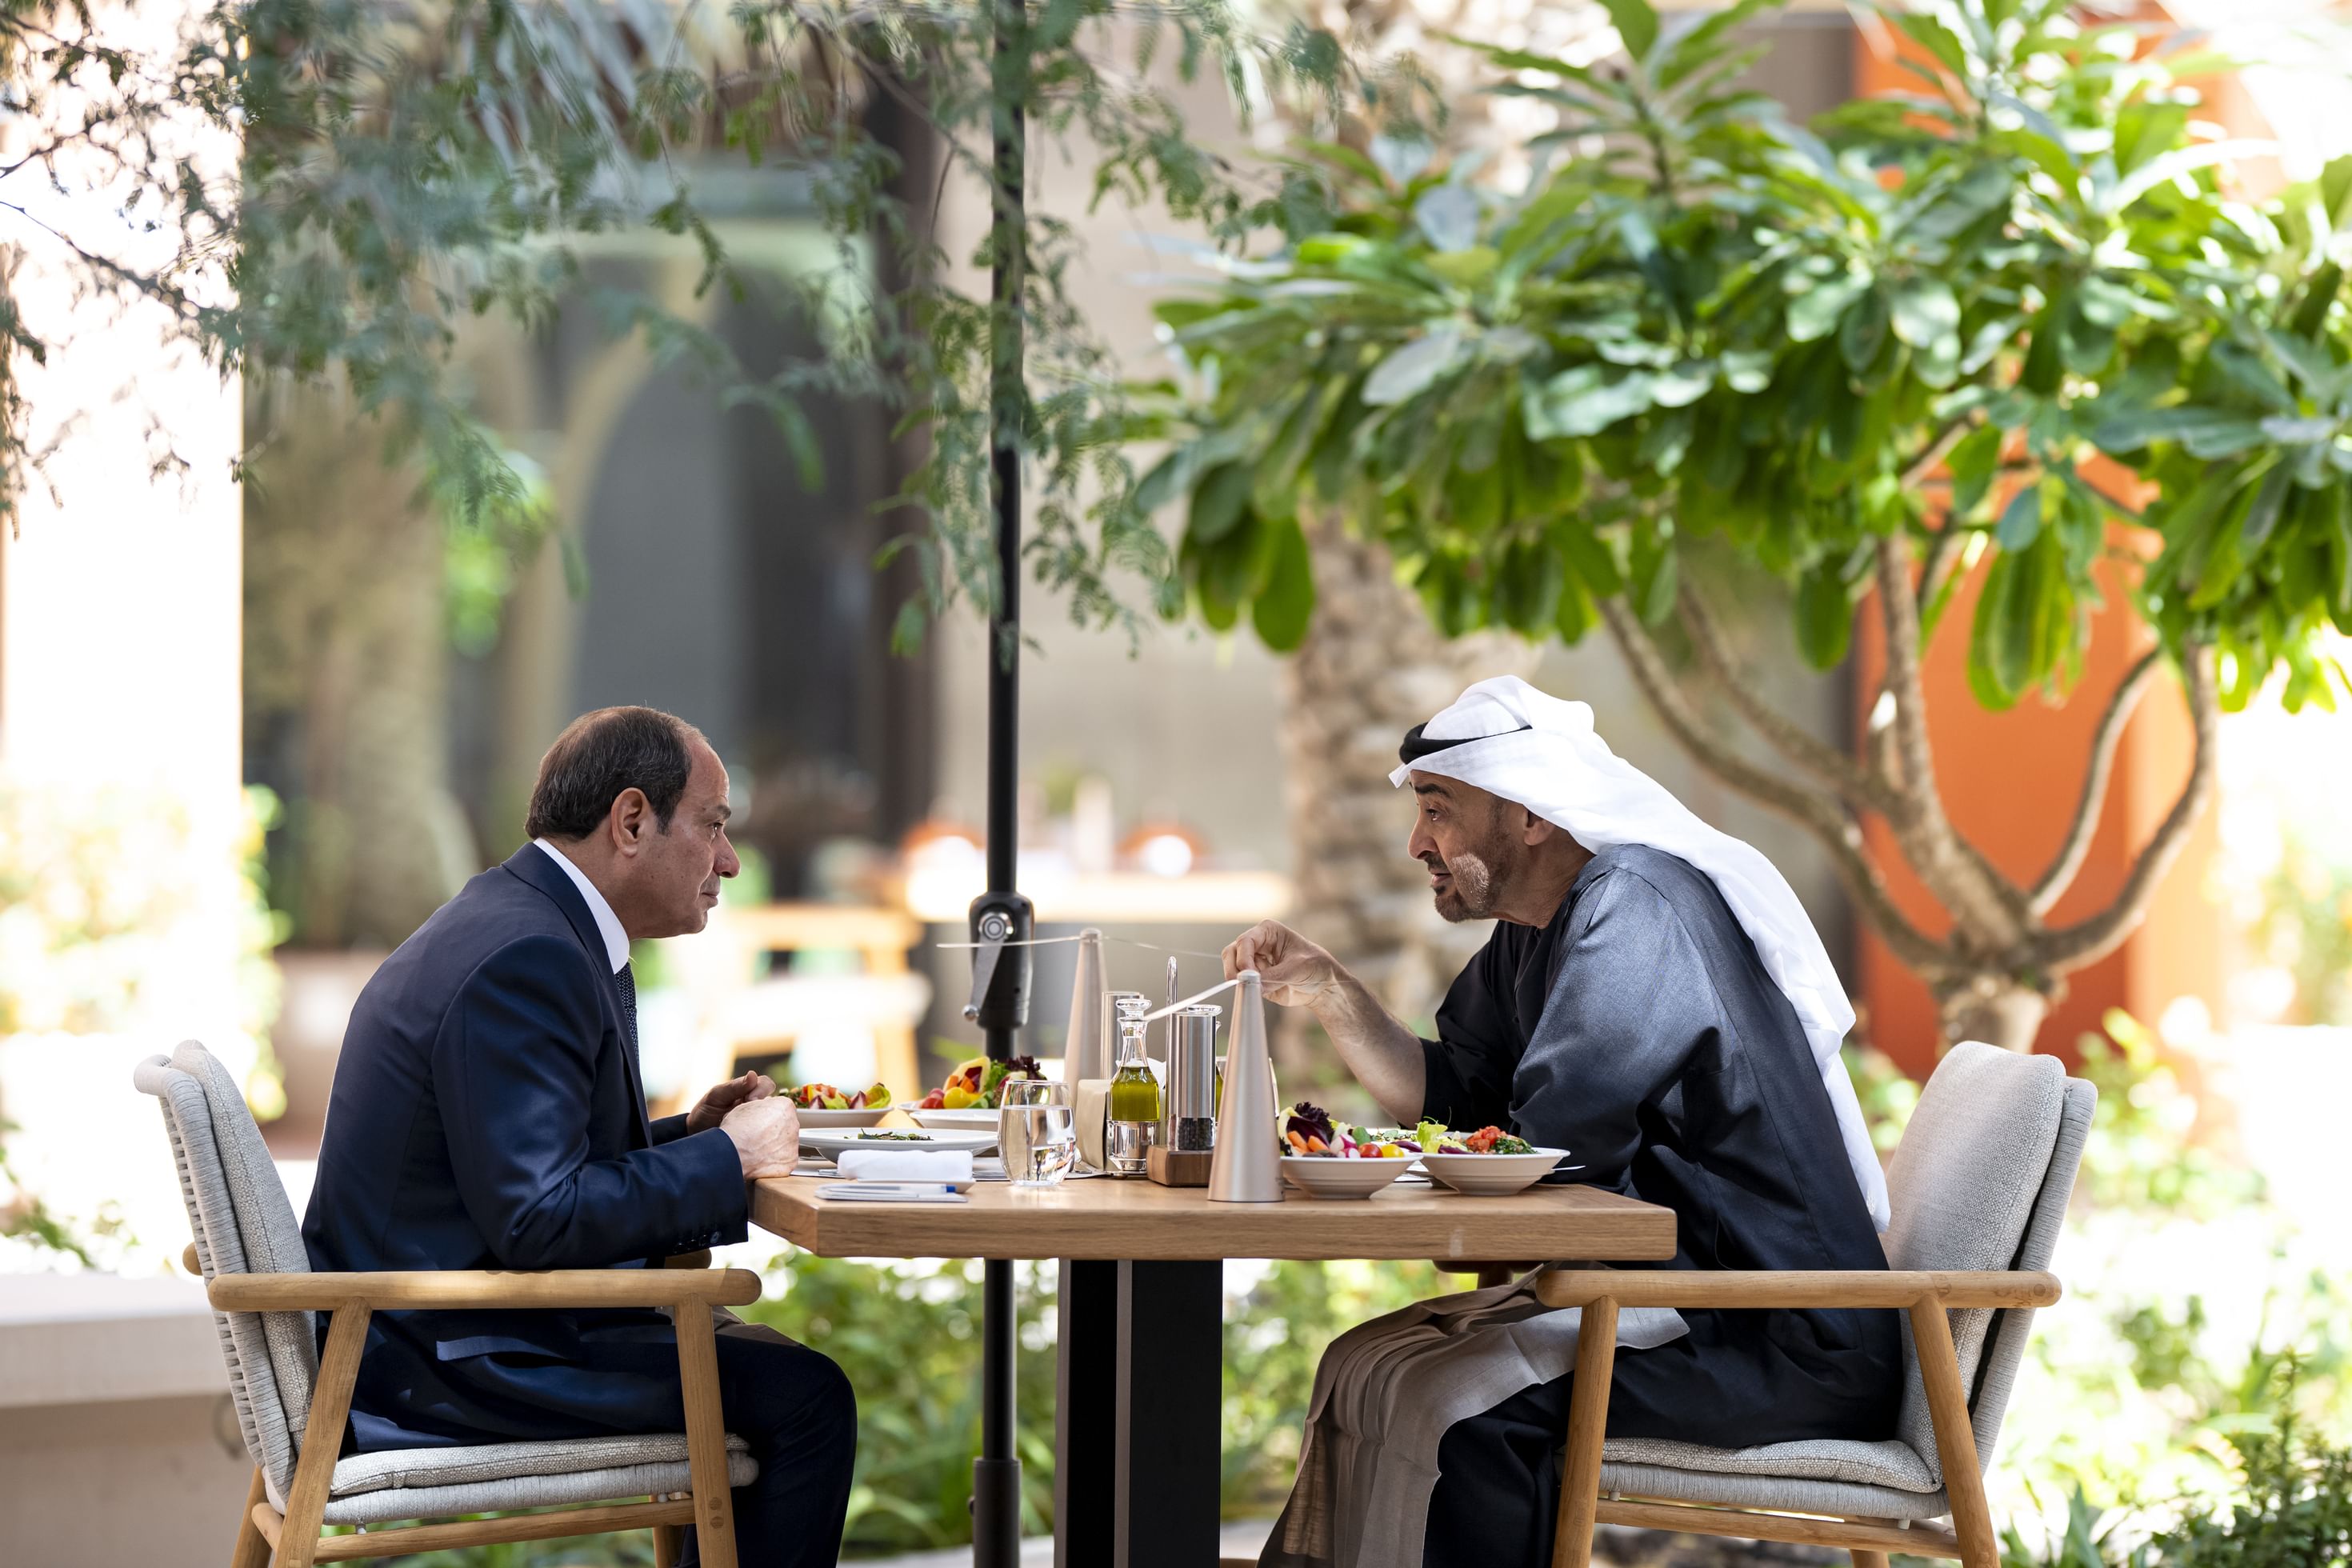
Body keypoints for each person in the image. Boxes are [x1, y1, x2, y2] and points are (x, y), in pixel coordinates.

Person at [1226, 677, 1898, 1568]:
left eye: (1438, 810)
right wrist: (1329, 990)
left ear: (1529, 812)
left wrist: (1430, 1166)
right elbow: (1457, 1101)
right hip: (1677, 1304)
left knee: (1462, 1418)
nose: (1417, 842)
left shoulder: (1637, 908)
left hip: (1778, 1336)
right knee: (1362, 1366)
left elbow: (1551, 1151)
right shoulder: (1536, 928)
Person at [303, 706, 854, 1568]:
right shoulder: (531, 955)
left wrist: (690, 1135)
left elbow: (518, 1167)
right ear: (631, 821)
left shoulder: (516, 918)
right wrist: (733, 1157)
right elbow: (540, 1219)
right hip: (448, 1359)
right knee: (807, 1399)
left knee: (771, 1374)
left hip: (421, 1329)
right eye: (713, 825)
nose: (730, 861)